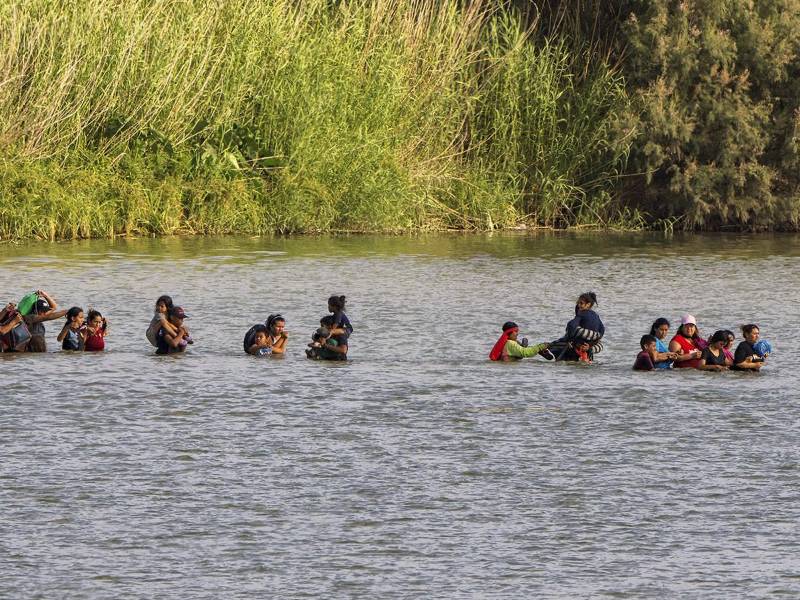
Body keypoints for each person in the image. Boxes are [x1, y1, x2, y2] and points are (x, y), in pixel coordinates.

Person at [551, 292, 604, 359]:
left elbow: (572, 325)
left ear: (588, 304)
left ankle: (549, 351)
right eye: (578, 303)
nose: (578, 305)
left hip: (576, 348)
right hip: (588, 349)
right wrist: (591, 344)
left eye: (581, 303)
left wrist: (569, 338)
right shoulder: (596, 316)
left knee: (556, 345)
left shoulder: (582, 313)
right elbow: (602, 330)